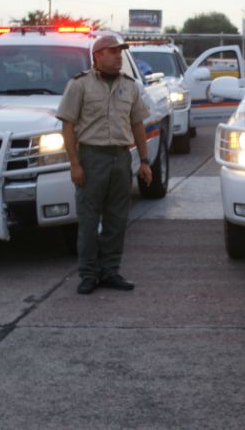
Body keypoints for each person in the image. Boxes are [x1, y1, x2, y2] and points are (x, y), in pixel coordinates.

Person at [56, 34, 153, 295]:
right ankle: (88, 274)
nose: (118, 56)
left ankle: (110, 270)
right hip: (91, 157)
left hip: (121, 157)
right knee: (88, 220)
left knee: (117, 219)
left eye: (120, 52)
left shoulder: (130, 86)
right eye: (113, 52)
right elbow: (68, 126)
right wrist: (74, 163)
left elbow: (137, 124)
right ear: (98, 55)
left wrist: (144, 161)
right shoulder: (80, 85)